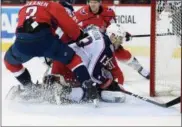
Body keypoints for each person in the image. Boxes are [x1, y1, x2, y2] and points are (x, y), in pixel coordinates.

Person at [4, 0, 98, 102]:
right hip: (45, 41)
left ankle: (30, 88)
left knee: (9, 62)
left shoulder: (24, 7)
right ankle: (89, 86)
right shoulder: (52, 5)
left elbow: (20, 29)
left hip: (22, 43)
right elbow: (70, 27)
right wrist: (79, 35)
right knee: (72, 58)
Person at [74, 0, 150, 79]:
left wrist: (123, 34)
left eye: (95, 2)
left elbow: (113, 28)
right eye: (91, 2)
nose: (92, 5)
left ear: (100, 3)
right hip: (90, 45)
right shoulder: (80, 14)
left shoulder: (108, 12)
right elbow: (74, 30)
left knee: (123, 54)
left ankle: (140, 69)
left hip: (106, 41)